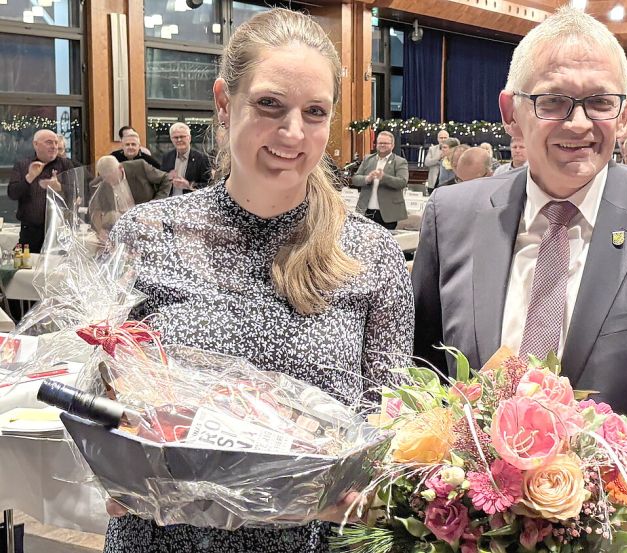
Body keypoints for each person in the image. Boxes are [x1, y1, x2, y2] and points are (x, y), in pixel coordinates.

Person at [412, 6, 627, 494]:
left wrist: (625, 500)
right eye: (553, 101)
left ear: (626, 113)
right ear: (511, 113)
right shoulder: (451, 217)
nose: (578, 124)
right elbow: (421, 378)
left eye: (599, 102)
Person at [103, 9, 412, 552]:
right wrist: (109, 454)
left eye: (314, 112)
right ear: (224, 103)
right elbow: (103, 391)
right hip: (164, 539)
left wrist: (366, 477)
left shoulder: (370, 254)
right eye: (270, 105)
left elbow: (387, 417)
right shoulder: (147, 234)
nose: (292, 133)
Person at [7, 129, 76, 251]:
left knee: (55, 268)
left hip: (59, 231)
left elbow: (76, 193)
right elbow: (12, 193)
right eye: (49, 142)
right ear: (35, 144)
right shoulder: (22, 165)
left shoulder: (65, 165)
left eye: (55, 143)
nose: (54, 147)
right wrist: (30, 177)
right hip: (30, 232)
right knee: (26, 267)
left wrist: (59, 187)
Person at [351, 131, 409, 230]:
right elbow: (355, 179)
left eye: (385, 143)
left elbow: (402, 182)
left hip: (388, 214)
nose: (382, 145)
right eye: (380, 143)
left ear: (393, 145)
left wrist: (384, 178)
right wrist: (367, 178)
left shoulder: (400, 162)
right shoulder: (368, 159)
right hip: (366, 210)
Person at [160, 122, 212, 195]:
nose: (179, 140)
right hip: (171, 202)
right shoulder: (167, 157)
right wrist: (167, 178)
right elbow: (161, 183)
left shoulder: (201, 158)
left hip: (191, 202)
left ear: (189, 138)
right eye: (175, 137)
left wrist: (189, 185)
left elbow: (209, 185)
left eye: (182, 136)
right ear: (171, 139)